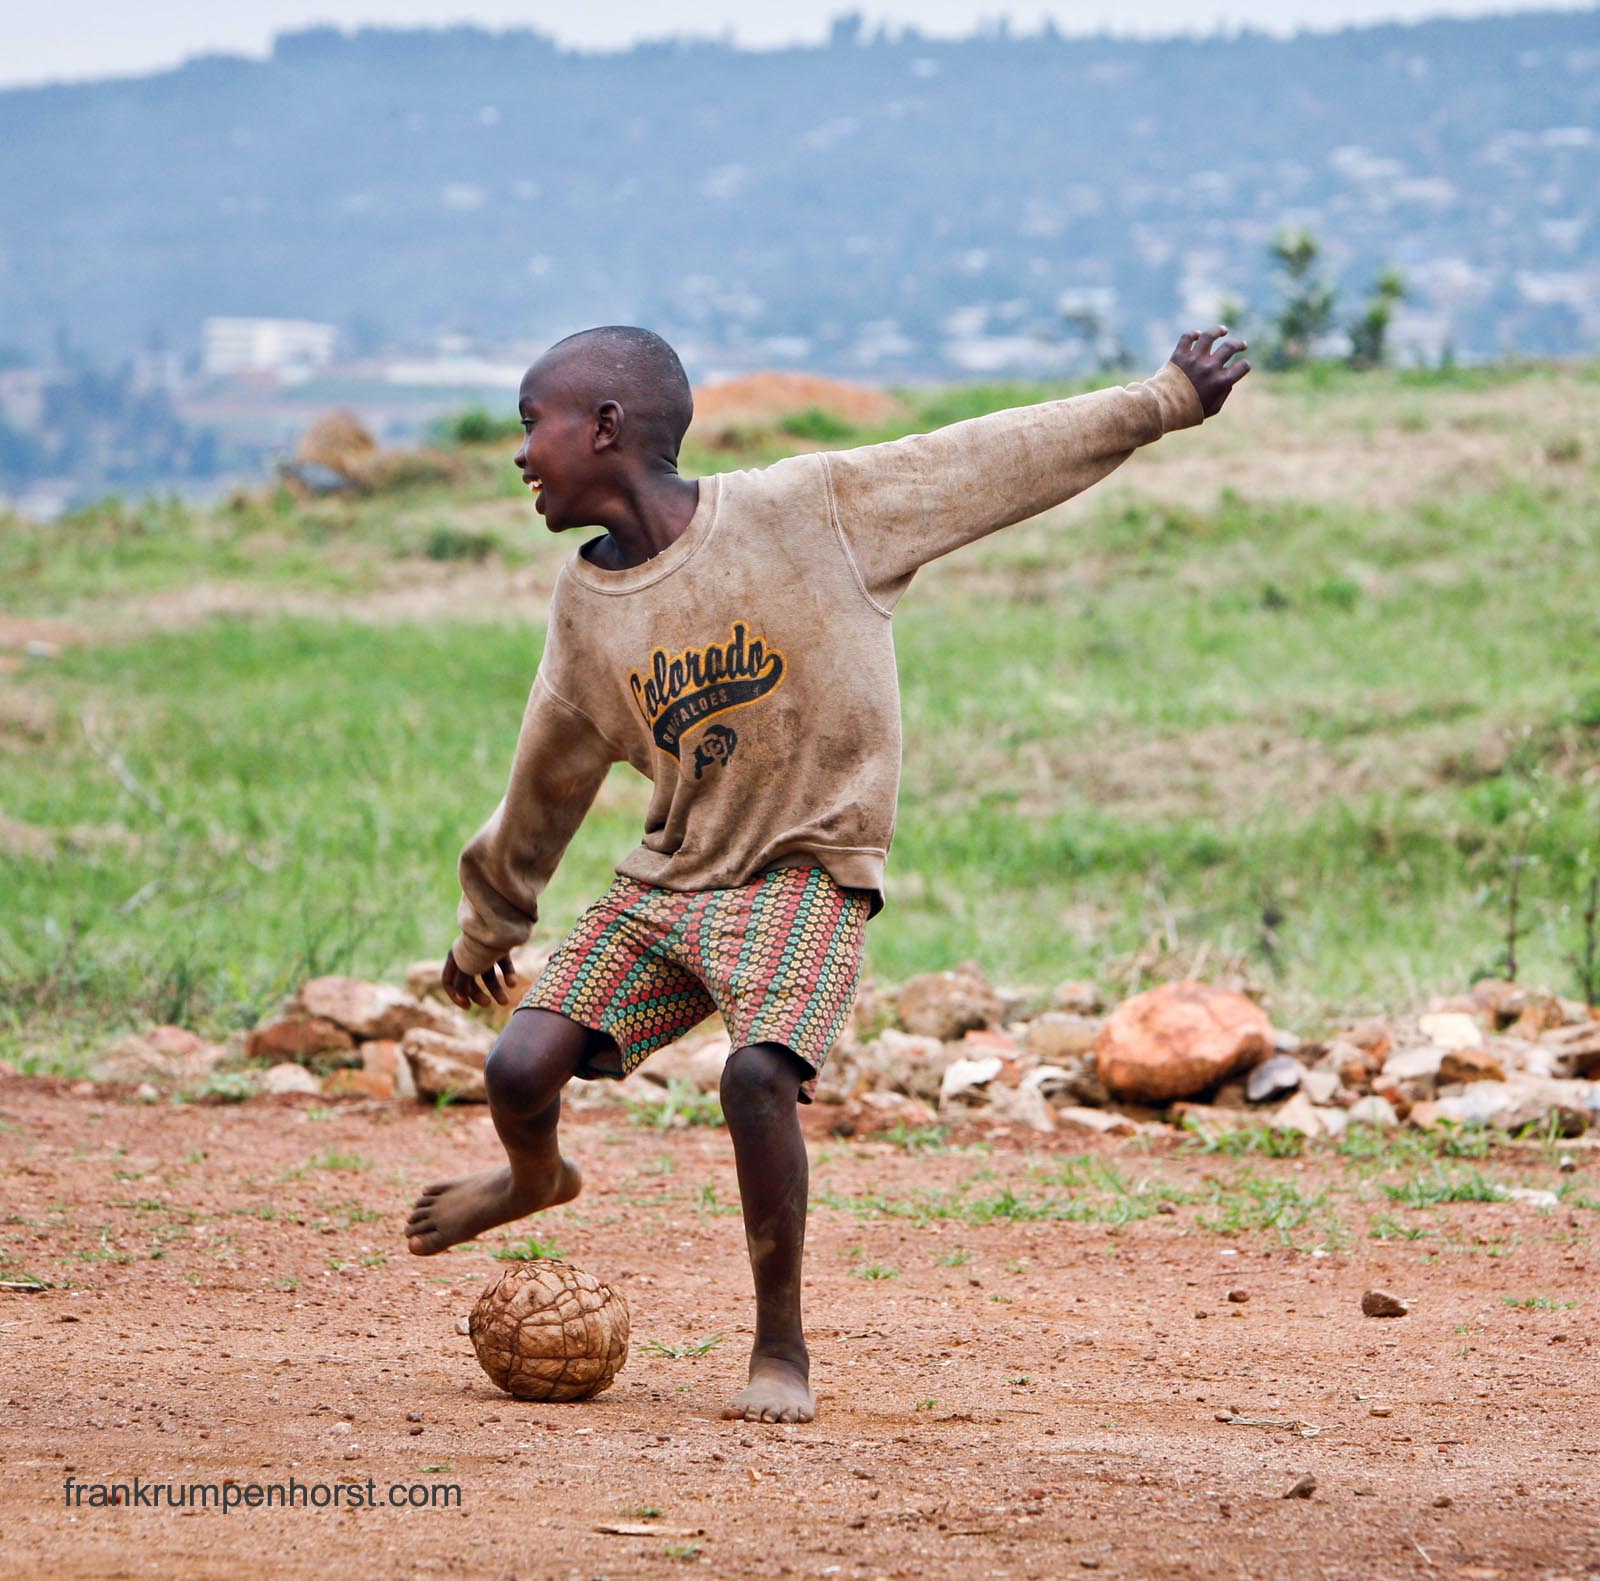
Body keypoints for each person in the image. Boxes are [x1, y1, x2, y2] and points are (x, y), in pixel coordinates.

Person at [403, 322, 1249, 1422]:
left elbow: (988, 458)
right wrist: (490, 923)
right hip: (669, 879)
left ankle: (780, 1352)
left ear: (606, 428)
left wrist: (1164, 398)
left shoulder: (809, 510)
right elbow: (548, 774)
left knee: (755, 1078)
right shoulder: (584, 604)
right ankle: (532, 1178)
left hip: (806, 868)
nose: (520, 455)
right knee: (518, 1071)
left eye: (533, 424)